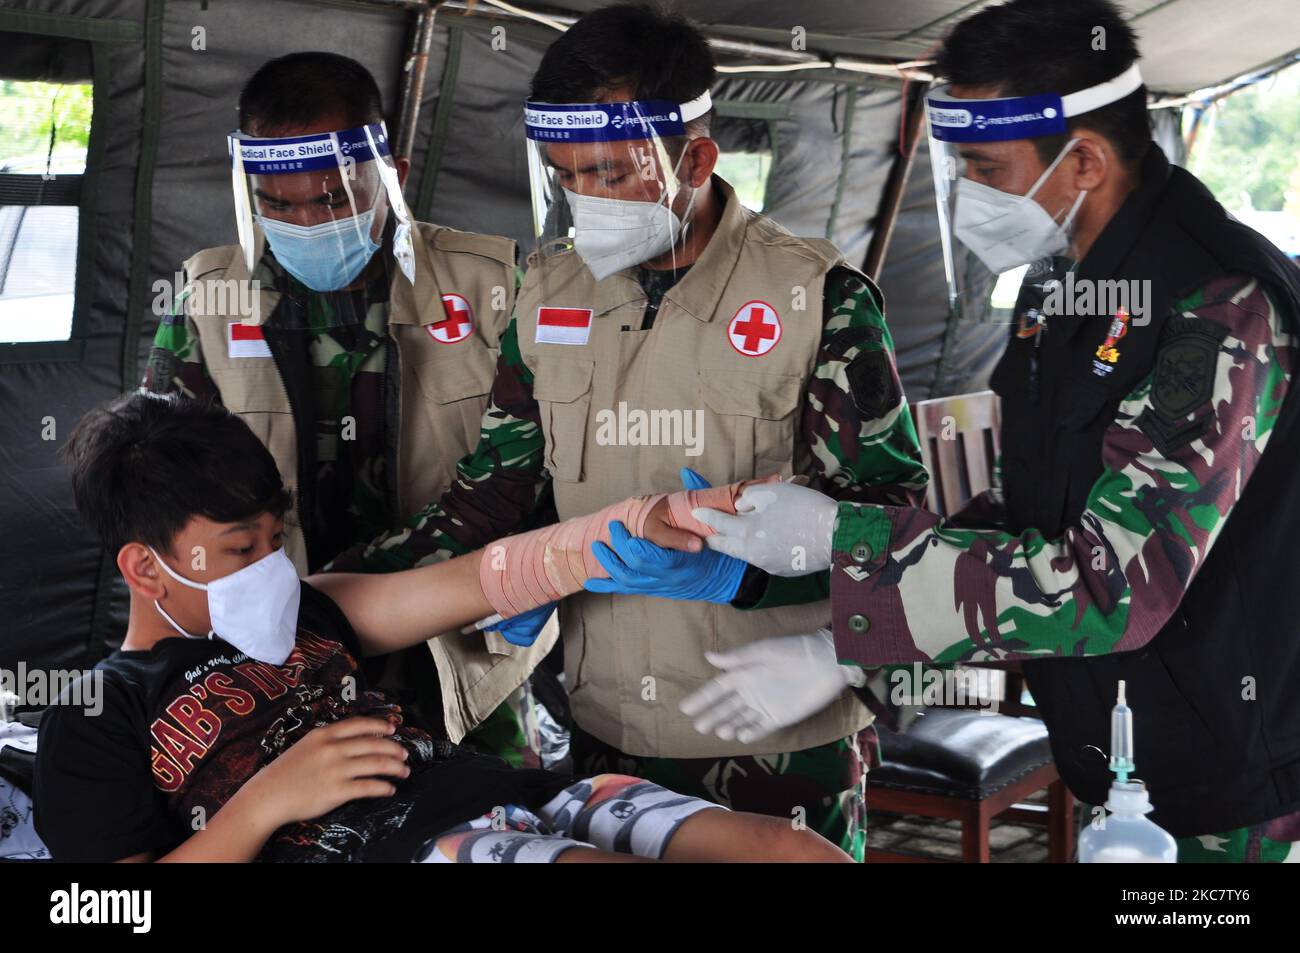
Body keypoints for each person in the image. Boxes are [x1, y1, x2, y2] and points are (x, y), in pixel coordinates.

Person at [677, 0, 1300, 863]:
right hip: (1122, 760)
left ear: (1082, 160)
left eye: (983, 166)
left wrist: (845, 540)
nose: (966, 193)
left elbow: (1108, 584)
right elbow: (1023, 513)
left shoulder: (1219, 306)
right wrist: (859, 645)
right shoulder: (1057, 292)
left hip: (1237, 796)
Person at [330, 4, 928, 861]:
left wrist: (760, 589)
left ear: (697, 158)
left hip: (782, 743)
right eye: (566, 177)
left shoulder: (817, 300)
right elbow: (488, 499)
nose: (587, 203)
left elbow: (898, 532)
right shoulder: (546, 294)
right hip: (608, 741)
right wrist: (326, 602)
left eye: (612, 175)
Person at [32, 392, 848, 863]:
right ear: (145, 567)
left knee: (791, 852)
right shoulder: (102, 709)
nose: (268, 569)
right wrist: (265, 804)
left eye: (273, 541)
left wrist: (643, 519)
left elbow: (477, 578)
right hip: (404, 850)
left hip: (522, 797)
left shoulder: (314, 607)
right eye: (239, 550)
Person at [139, 51, 550, 758]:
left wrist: (348, 595)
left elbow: (519, 469)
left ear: (395, 173)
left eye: (333, 199)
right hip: (271, 650)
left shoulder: (491, 285)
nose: (305, 219)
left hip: (455, 646)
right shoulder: (209, 298)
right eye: (276, 202)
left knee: (487, 816)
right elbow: (161, 488)